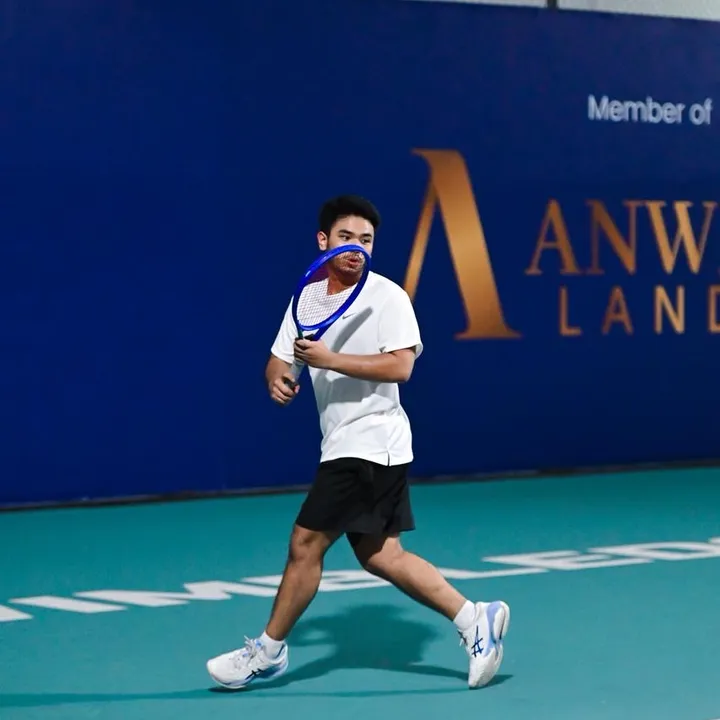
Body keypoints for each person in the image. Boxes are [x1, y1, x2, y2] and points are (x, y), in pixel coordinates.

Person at [206, 195, 510, 690]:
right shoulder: (307, 298)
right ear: (323, 241)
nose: (356, 248)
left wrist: (330, 360)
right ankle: (475, 617)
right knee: (380, 555)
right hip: (345, 441)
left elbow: (401, 366)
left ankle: (268, 651)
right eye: (346, 237)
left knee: (305, 543)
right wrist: (277, 379)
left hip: (370, 442)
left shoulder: (388, 297)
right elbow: (281, 358)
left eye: (366, 240)